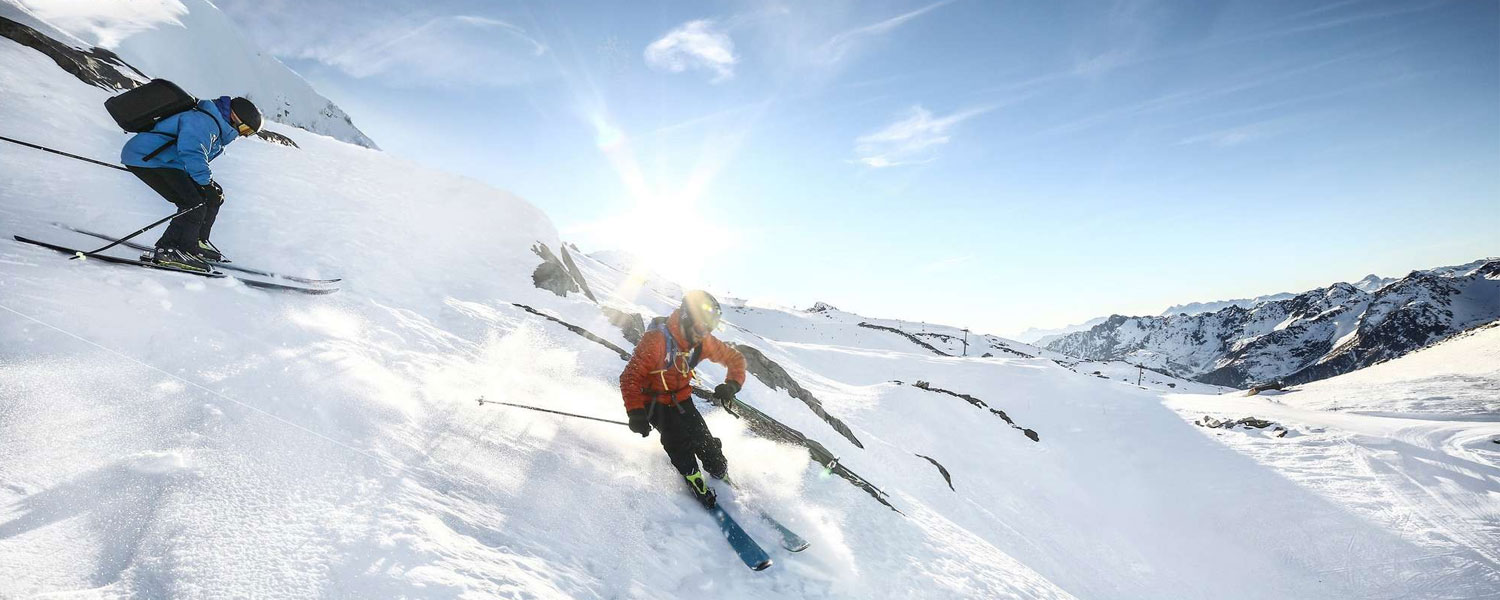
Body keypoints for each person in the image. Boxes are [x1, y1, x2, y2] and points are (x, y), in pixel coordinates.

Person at [620, 290, 747, 509]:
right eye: (700, 328)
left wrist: (731, 385)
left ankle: (719, 470)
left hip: (681, 397)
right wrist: (636, 413)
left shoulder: (702, 342)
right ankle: (693, 477)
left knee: (704, 439)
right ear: (688, 318)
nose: (703, 334)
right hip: (654, 401)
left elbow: (734, 359)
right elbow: (630, 377)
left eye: (709, 329)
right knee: (677, 440)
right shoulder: (656, 340)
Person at [120, 95, 261, 272]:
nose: (243, 134)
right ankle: (169, 249)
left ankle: (194, 242)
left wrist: (208, 186)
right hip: (146, 158)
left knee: (212, 197)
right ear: (235, 117)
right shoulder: (204, 121)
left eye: (249, 133)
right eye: (246, 129)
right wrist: (205, 183)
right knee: (193, 203)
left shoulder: (214, 123)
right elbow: (193, 153)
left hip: (167, 161)